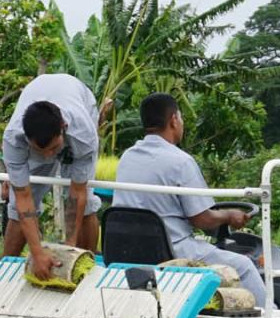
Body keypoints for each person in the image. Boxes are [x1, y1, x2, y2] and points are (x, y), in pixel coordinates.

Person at [114, 93, 266, 302]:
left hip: (130, 248)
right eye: (181, 118)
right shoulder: (180, 161)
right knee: (244, 266)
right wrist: (229, 215)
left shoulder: (127, 157)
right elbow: (202, 220)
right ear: (174, 120)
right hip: (173, 250)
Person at [1, 73, 101, 278]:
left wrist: (69, 250)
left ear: (63, 129)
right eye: (40, 150)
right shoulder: (13, 139)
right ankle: (3, 272)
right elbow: (23, 198)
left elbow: (77, 191)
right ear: (26, 139)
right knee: (14, 206)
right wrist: (37, 252)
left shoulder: (84, 135)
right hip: (37, 95)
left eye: (54, 148)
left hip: (79, 99)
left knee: (87, 202)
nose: (48, 156)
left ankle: (86, 270)